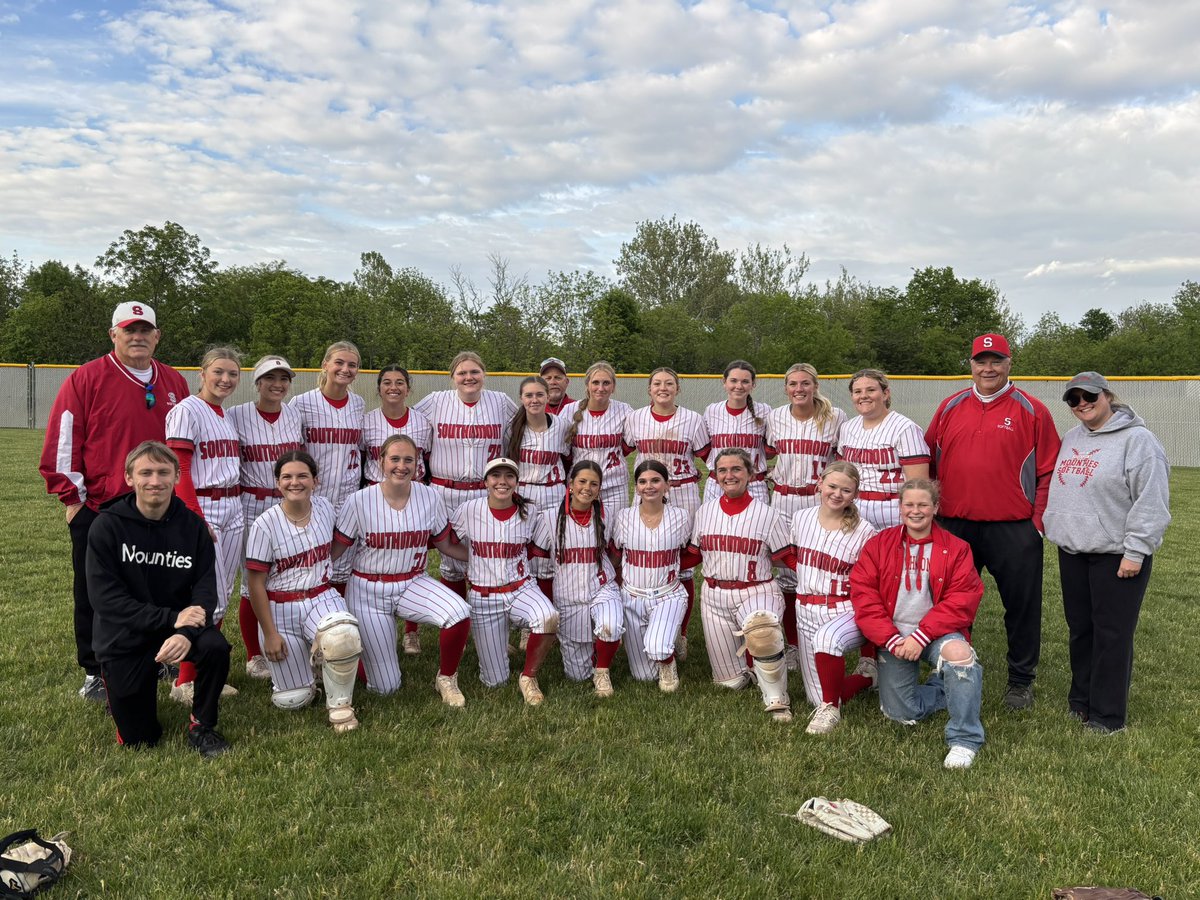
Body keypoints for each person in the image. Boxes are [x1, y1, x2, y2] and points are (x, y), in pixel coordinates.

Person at [40, 301, 190, 704]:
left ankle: (154, 657)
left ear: (157, 336)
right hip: (103, 507)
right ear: (114, 335)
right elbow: (63, 438)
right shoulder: (87, 378)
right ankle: (95, 671)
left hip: (160, 507)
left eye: (145, 330)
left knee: (157, 586)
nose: (138, 337)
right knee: (96, 592)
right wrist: (73, 499)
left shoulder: (174, 381)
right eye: (129, 330)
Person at [925, 333, 1061, 710]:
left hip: (1013, 527)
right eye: (981, 361)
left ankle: (1020, 680)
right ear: (970, 364)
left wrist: (1037, 522)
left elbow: (1049, 471)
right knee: (948, 603)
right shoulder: (950, 406)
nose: (988, 368)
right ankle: (946, 669)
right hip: (954, 525)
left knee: (1021, 606)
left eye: (996, 360)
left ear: (1009, 363)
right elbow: (929, 463)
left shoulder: (1032, 410)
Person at [1043, 372, 1171, 733]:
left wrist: (1136, 551)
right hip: (1073, 549)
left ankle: (1108, 715)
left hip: (1117, 554)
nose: (1082, 403)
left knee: (1112, 634)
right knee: (1081, 630)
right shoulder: (1071, 438)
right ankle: (1081, 701)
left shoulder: (1139, 441)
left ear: (1107, 395)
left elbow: (1152, 502)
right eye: (1073, 398)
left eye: (1089, 395)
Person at [86, 441, 231, 757]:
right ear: (129, 478)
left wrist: (185, 632)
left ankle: (201, 725)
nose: (155, 481)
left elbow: (206, 592)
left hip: (175, 629)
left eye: (164, 472)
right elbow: (105, 600)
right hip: (124, 634)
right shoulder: (107, 526)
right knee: (140, 740)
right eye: (146, 472)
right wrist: (171, 619)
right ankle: (128, 695)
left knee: (215, 647)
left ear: (177, 476)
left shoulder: (193, 527)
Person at [851, 478, 985, 769]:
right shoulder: (878, 545)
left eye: (923, 504)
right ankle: (946, 689)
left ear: (935, 508)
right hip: (895, 636)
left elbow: (963, 598)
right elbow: (864, 596)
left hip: (936, 633)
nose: (916, 511)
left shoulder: (957, 548)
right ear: (900, 508)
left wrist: (922, 635)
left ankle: (964, 738)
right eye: (909, 504)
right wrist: (891, 640)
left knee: (960, 657)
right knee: (900, 713)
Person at [332, 435, 474, 708]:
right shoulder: (359, 501)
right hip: (367, 590)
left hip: (413, 581)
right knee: (385, 687)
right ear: (381, 461)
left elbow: (445, 544)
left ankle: (446, 677)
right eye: (394, 458)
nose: (401, 465)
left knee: (458, 612)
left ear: (418, 464)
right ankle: (349, 658)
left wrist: (485, 557)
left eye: (409, 459)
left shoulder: (430, 495)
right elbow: (337, 550)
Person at [244, 451, 364, 733]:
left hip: (320, 595)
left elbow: (334, 547)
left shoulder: (323, 508)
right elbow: (255, 584)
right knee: (292, 699)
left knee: (342, 636)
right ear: (278, 483)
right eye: (287, 477)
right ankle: (315, 665)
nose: (294, 482)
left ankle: (340, 708)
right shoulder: (265, 524)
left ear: (315, 481)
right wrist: (270, 634)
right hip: (280, 606)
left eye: (302, 476)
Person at [688, 448, 795, 722]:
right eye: (722, 470)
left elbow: (788, 558)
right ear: (715, 476)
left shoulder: (767, 514)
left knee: (762, 630)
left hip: (756, 590)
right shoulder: (704, 512)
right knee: (729, 683)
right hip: (714, 596)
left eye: (736, 469)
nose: (729, 475)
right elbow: (693, 554)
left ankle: (777, 697)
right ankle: (751, 668)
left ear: (750, 474)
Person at [164, 347, 244, 703]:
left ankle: (203, 673)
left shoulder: (223, 413)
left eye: (232, 374)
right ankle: (184, 680)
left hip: (232, 503)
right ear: (203, 373)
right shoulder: (186, 410)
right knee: (202, 595)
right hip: (205, 505)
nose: (225, 379)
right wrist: (194, 517)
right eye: (219, 372)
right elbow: (179, 469)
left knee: (222, 594)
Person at [451, 457, 559, 705]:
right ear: (486, 481)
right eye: (496, 476)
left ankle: (528, 676)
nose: (502, 481)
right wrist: (472, 557)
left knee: (548, 617)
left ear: (517, 482)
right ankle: (499, 646)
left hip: (521, 588)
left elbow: (536, 548)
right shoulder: (469, 510)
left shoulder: (529, 511)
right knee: (494, 681)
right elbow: (448, 542)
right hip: (483, 596)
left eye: (509, 476)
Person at [624, 367, 711, 660]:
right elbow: (620, 450)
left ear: (678, 388)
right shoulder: (635, 418)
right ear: (649, 389)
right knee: (648, 549)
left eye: (669, 383)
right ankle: (647, 617)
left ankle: (680, 633)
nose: (663, 388)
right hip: (647, 491)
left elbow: (708, 457)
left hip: (683, 490)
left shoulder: (693, 419)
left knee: (682, 563)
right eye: (657, 384)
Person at [414, 352, 517, 600]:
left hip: (487, 492)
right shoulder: (436, 401)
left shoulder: (501, 402)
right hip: (444, 491)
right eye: (462, 373)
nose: (468, 377)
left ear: (484, 374)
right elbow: (408, 426)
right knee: (450, 565)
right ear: (452, 377)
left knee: (487, 557)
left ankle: (488, 617)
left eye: (474, 372)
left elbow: (524, 430)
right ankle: (455, 619)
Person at [228, 355, 305, 679]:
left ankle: (289, 636)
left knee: (288, 572)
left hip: (287, 502)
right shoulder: (236, 414)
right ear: (257, 383)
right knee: (252, 581)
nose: (277, 384)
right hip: (251, 502)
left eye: (283, 378)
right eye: (270, 378)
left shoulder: (294, 414)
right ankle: (254, 654)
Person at [766, 363, 847, 669]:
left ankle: (823, 637)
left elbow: (841, 461)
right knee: (786, 575)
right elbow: (769, 452)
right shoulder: (775, 417)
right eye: (792, 384)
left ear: (815, 386)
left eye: (805, 383)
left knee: (818, 570)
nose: (798, 389)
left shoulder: (835, 416)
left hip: (817, 501)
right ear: (786, 388)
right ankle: (792, 645)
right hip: (784, 498)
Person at [790, 461, 878, 735]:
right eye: (832, 486)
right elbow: (794, 557)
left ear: (855, 495)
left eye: (846, 490)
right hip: (804, 608)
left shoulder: (865, 530)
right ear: (820, 484)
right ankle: (868, 678)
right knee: (815, 697)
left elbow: (871, 581)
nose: (837, 494)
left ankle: (832, 709)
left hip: (843, 609)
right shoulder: (801, 518)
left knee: (826, 646)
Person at [359, 364, 434, 655]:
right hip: (374, 493)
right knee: (377, 558)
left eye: (400, 382)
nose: (394, 387)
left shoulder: (421, 422)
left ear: (408, 388)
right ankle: (377, 619)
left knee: (413, 559)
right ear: (378, 388)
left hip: (412, 493)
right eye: (387, 382)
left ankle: (411, 632)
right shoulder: (367, 422)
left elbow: (425, 459)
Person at [542, 461, 624, 697]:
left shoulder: (606, 515)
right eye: (582, 481)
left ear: (599, 489)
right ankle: (595, 652)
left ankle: (603, 670)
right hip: (568, 595)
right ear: (570, 485)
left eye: (594, 484)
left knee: (611, 625)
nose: (587, 488)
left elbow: (614, 553)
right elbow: (539, 561)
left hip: (601, 587)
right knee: (577, 675)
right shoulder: (549, 518)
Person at [609, 460, 692, 692]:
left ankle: (668, 655)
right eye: (643, 481)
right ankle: (665, 638)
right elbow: (616, 559)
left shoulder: (682, 517)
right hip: (632, 596)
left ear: (667, 485)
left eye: (656, 480)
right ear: (636, 487)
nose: (649, 486)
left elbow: (687, 555)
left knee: (658, 649)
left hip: (668, 595)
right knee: (643, 676)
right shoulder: (624, 516)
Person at [290, 341, 366, 593]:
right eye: (339, 362)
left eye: (352, 365)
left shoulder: (358, 404)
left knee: (342, 566)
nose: (345, 369)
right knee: (307, 562)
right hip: (313, 494)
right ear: (325, 365)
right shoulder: (300, 403)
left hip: (347, 494)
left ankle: (340, 629)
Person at [838, 368, 929, 530]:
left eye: (871, 390)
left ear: (885, 394)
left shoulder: (905, 428)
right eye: (857, 391)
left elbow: (918, 483)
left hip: (893, 511)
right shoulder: (847, 428)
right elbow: (841, 474)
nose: (863, 395)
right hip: (854, 510)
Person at [562, 361, 633, 513]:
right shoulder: (569, 410)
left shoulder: (624, 410)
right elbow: (564, 451)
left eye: (606, 383)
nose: (601, 388)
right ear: (587, 385)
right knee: (582, 531)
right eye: (595, 382)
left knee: (614, 532)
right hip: (581, 486)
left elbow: (630, 445)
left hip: (614, 486)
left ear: (613, 386)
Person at [704, 360, 772, 503]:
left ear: (753, 384)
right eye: (733, 381)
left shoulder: (765, 411)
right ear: (724, 382)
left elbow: (771, 450)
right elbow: (705, 450)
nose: (739, 386)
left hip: (754, 484)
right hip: (718, 484)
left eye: (745, 381)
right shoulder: (712, 411)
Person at [507, 375, 571, 515]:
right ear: (521, 398)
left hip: (554, 493)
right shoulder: (511, 427)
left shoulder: (562, 425)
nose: (534, 400)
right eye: (529, 395)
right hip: (522, 492)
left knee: (553, 536)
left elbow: (569, 458)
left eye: (540, 395)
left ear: (548, 397)